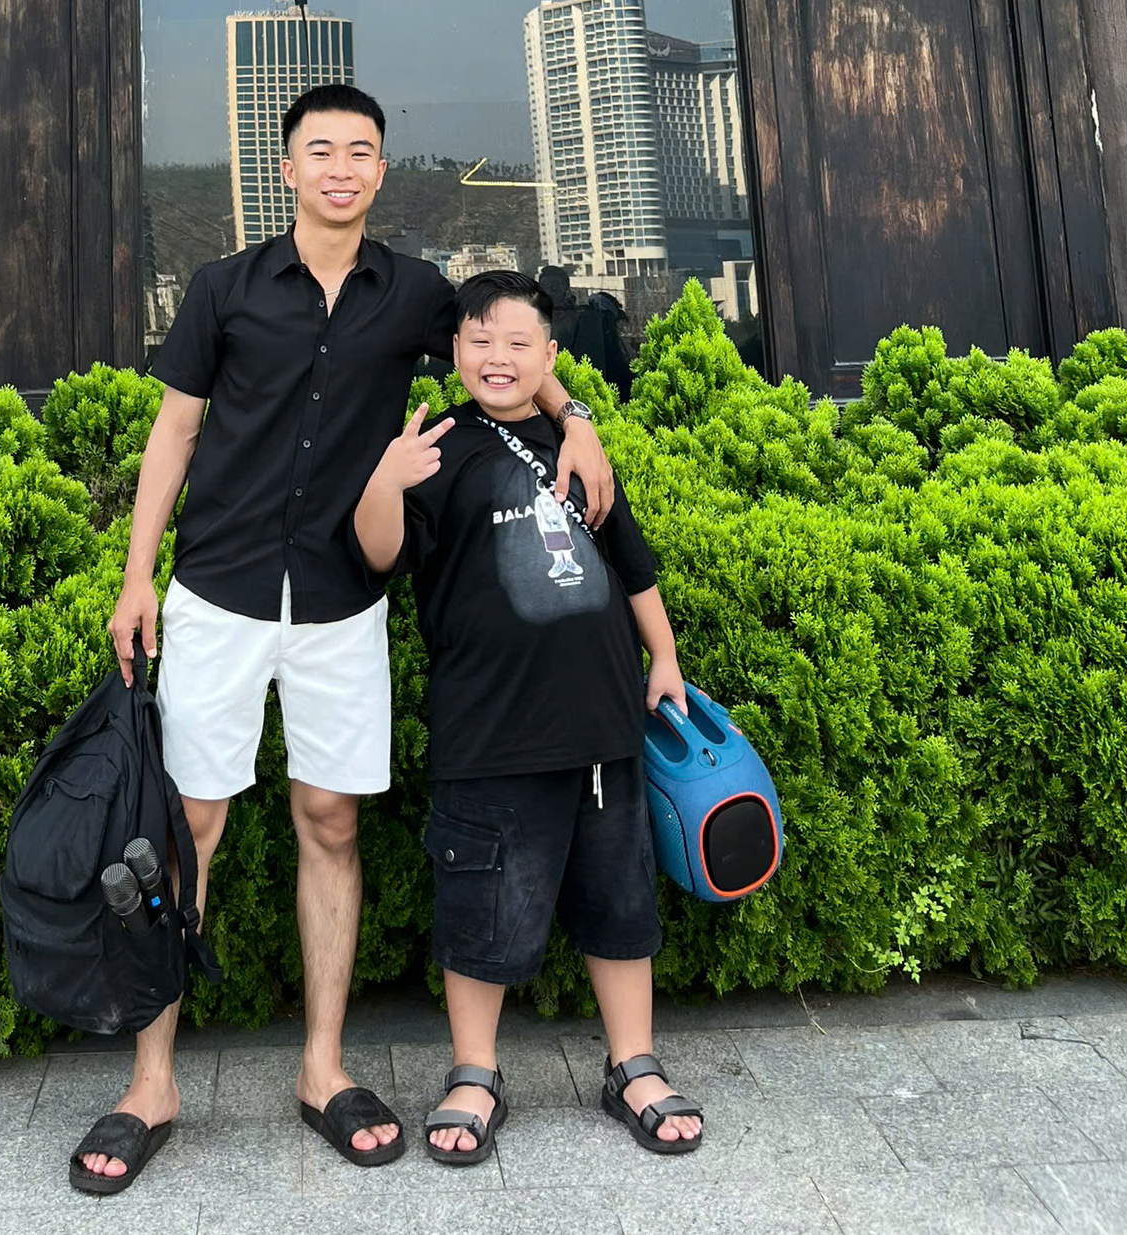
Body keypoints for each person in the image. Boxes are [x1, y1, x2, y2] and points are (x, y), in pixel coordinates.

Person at [78, 85, 618, 1192]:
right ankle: (151, 1080)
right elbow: (174, 429)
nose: (339, 167)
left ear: (379, 170)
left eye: (359, 151)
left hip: (341, 597)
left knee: (329, 819)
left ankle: (321, 1068)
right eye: (319, 150)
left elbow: (500, 345)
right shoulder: (224, 287)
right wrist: (137, 576)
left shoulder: (413, 290)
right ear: (286, 169)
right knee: (190, 826)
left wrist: (576, 419)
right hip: (220, 587)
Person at [352, 270, 705, 1165]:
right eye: (479, 341)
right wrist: (384, 481)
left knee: (619, 902)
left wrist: (663, 658)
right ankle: (474, 1072)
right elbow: (380, 555)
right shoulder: (436, 447)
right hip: (487, 730)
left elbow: (631, 561)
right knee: (479, 905)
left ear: (550, 356)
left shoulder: (577, 443)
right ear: (454, 351)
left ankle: (632, 1063)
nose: (497, 358)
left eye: (517, 343)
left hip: (600, 724)